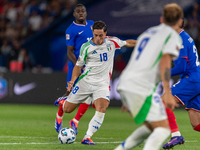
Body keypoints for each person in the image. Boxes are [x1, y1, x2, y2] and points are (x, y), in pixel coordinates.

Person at [55, 20, 137, 145]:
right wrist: (72, 81)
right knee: (67, 109)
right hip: (85, 82)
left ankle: (87, 137)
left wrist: (143, 43)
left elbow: (128, 43)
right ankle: (63, 102)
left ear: (105, 33)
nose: (98, 38)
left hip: (102, 84)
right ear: (92, 32)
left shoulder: (112, 42)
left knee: (102, 108)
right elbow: (78, 66)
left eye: (101, 36)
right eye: (96, 35)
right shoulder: (86, 47)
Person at [114, 3, 183, 150]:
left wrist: (129, 92)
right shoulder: (172, 36)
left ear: (161, 19)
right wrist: (168, 92)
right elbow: (165, 61)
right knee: (163, 129)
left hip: (127, 82)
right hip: (140, 86)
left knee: (152, 126)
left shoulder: (148, 33)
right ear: (180, 22)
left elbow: (136, 60)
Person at [54, 4, 94, 134]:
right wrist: (79, 65)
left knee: (89, 95)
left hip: (90, 67)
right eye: (78, 11)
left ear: (86, 13)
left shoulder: (93, 24)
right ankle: (59, 116)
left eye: (83, 11)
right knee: (70, 95)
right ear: (74, 14)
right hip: (76, 67)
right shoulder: (71, 30)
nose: (81, 13)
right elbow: (69, 52)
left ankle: (75, 121)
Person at [162, 18, 200, 149]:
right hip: (195, 78)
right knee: (196, 124)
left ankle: (176, 135)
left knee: (164, 101)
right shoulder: (182, 37)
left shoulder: (181, 39)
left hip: (191, 79)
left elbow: (182, 67)